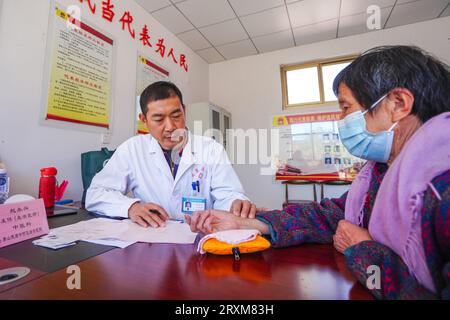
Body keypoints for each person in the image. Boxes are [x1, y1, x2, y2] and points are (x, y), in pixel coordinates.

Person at [186, 46, 450, 300]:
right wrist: (246, 224)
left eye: (346, 108)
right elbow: (328, 215)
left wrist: (364, 249)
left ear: (399, 104)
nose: (340, 120)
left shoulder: (442, 188)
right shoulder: (382, 172)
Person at [86, 81, 256, 228]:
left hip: (201, 236)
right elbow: (96, 193)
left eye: (176, 116)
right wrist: (131, 207)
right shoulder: (132, 149)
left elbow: (228, 194)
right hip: (154, 241)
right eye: (158, 119)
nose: (170, 127)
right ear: (144, 120)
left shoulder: (211, 149)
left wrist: (235, 203)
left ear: (185, 111)